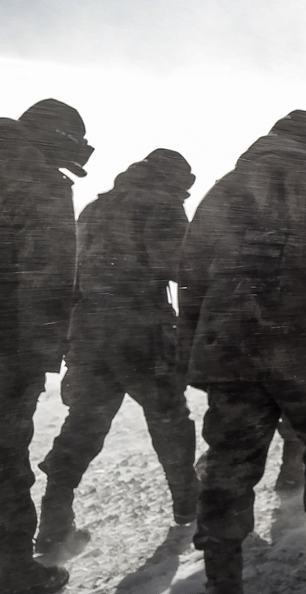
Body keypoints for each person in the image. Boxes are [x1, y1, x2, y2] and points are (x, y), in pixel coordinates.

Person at [177, 110, 306, 592]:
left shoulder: (225, 187)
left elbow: (191, 273)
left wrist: (192, 346)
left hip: (230, 348)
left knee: (231, 456)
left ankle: (223, 575)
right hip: (305, 345)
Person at [35, 149, 199, 556]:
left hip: (90, 331)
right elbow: (184, 268)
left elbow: (72, 273)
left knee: (84, 425)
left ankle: (54, 521)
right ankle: (188, 504)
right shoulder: (162, 206)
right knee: (169, 419)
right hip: (141, 329)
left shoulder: (95, 208)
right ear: (174, 180)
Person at [0, 99, 93, 594]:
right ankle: (14, 572)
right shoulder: (38, 181)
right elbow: (47, 279)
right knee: (5, 461)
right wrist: (40, 357)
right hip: (6, 348)